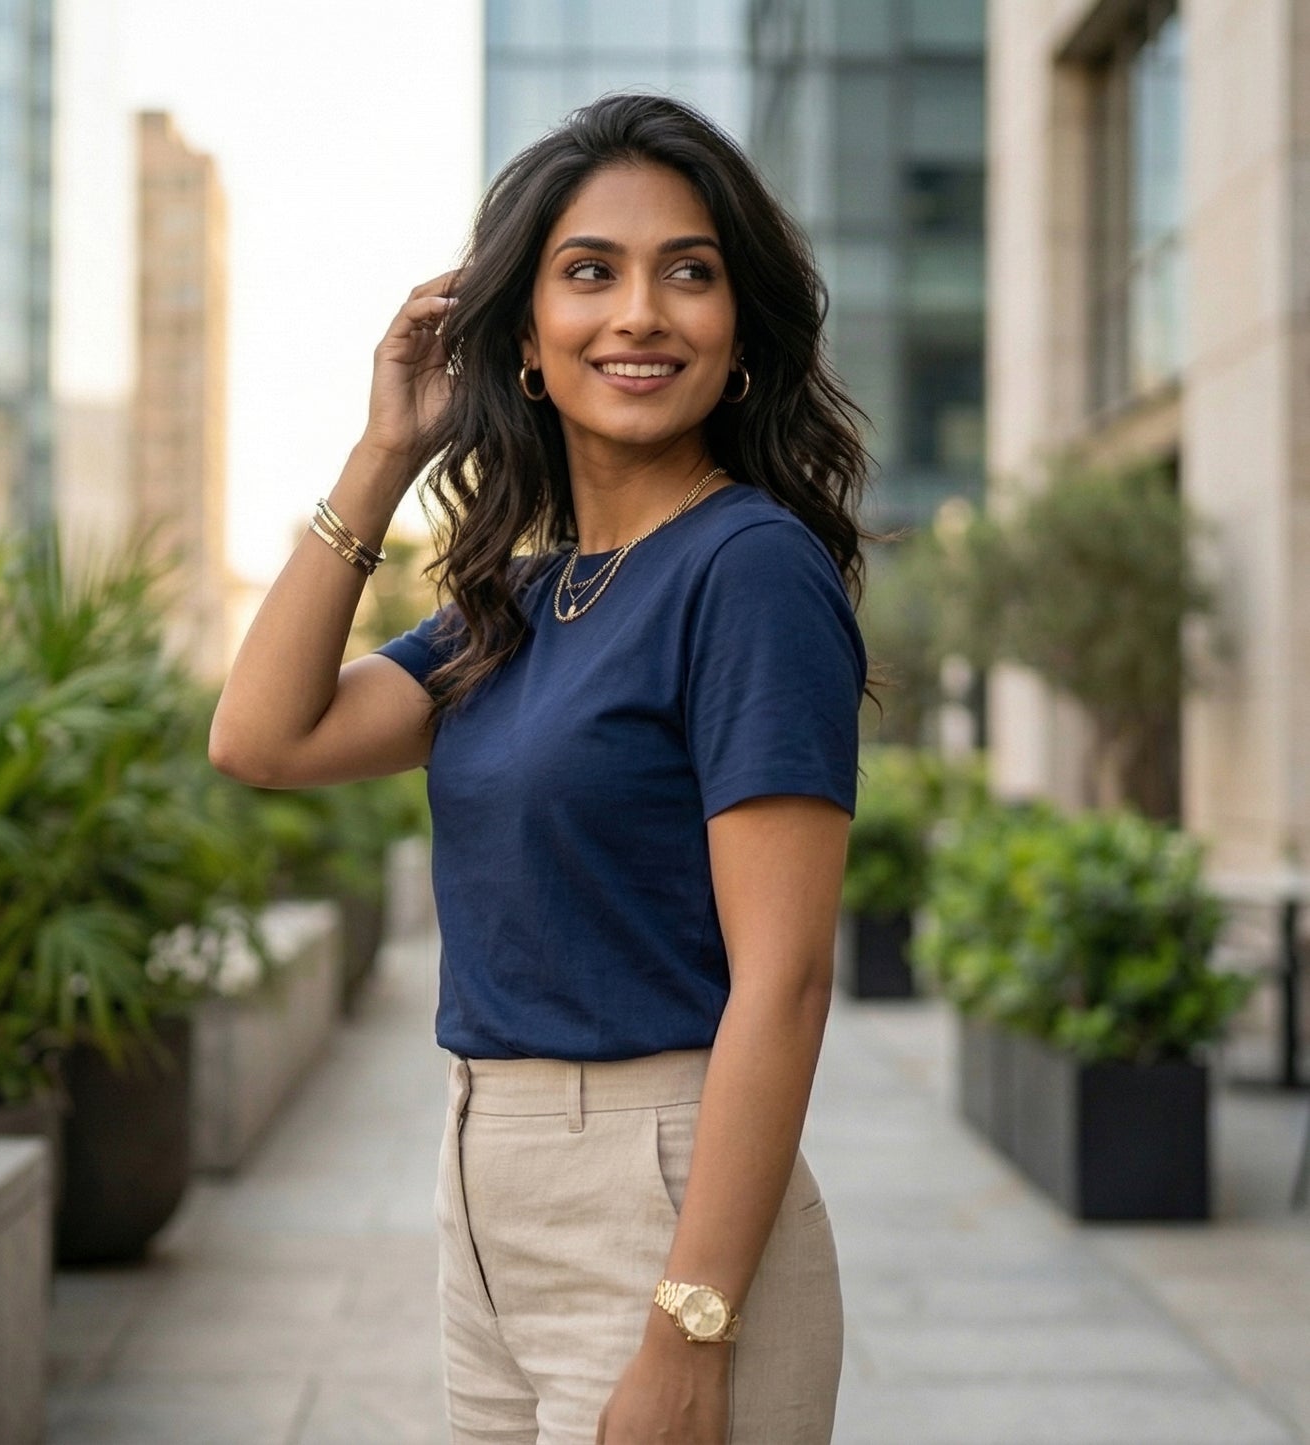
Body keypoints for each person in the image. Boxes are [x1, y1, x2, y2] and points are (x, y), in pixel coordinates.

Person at [210, 93, 869, 1445]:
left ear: (739, 326)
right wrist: (384, 451)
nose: (641, 314)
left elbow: (786, 979)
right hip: (487, 1198)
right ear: (522, 334)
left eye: (689, 272)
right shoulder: (519, 600)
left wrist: (690, 1325)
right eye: (590, 272)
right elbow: (261, 737)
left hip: (660, 1204)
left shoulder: (748, 571)